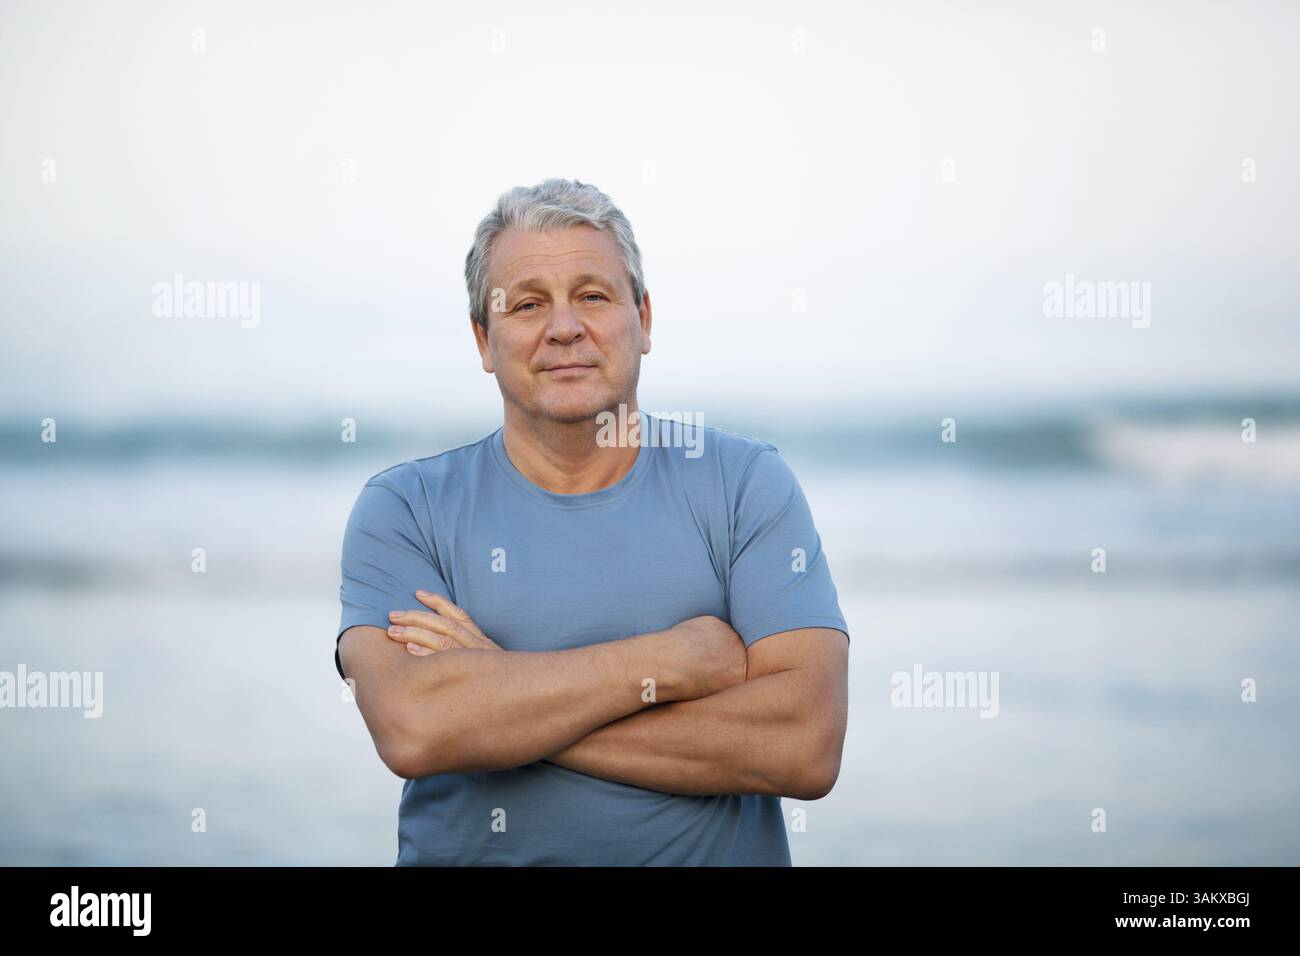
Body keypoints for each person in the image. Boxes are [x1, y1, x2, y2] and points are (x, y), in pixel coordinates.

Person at [335, 177, 850, 865]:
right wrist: (674, 660)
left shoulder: (743, 484)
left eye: (593, 295)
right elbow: (415, 729)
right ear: (484, 340)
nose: (564, 327)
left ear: (644, 319)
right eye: (526, 304)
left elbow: (805, 744)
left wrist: (496, 698)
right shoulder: (405, 508)